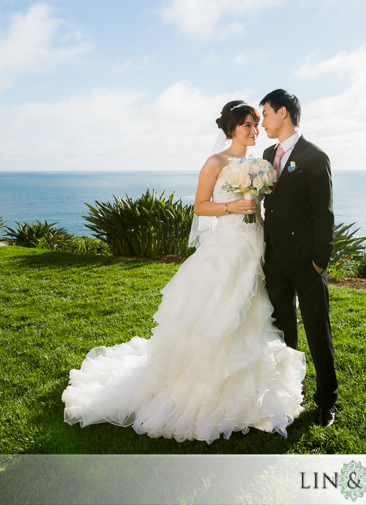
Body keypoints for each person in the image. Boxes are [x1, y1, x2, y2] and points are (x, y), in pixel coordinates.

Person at [62, 100, 306, 443]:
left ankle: (253, 398)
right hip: (226, 248)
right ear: (231, 129)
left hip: (254, 243)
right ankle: (202, 393)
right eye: (247, 125)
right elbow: (200, 206)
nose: (254, 131)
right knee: (219, 314)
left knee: (254, 313)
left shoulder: (259, 164)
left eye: (255, 124)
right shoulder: (215, 162)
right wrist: (232, 206)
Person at [259, 89, 339, 427]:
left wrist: (319, 261)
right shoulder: (266, 153)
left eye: (265, 114)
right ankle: (290, 395)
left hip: (307, 263)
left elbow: (324, 214)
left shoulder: (314, 157)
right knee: (283, 333)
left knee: (317, 332)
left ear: (283, 114)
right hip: (274, 260)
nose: (262, 121)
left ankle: (326, 403)